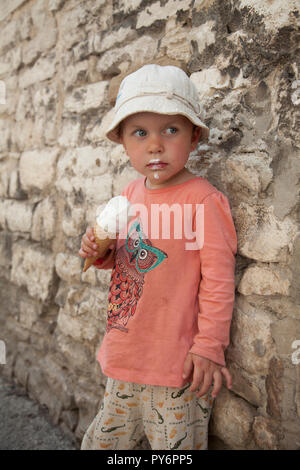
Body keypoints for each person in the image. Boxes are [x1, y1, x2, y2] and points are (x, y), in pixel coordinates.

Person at [78, 64, 237, 450]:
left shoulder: (203, 200)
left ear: (194, 136)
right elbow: (124, 259)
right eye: (140, 133)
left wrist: (209, 347)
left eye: (170, 130)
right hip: (125, 355)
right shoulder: (129, 195)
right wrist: (99, 251)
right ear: (123, 142)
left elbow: (219, 280)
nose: (155, 145)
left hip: (177, 367)